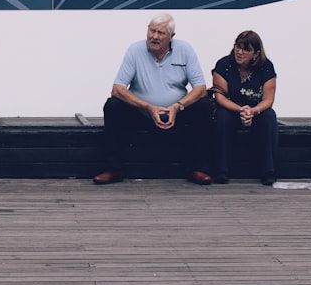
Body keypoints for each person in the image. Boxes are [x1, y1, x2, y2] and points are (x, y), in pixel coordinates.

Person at [93, 13, 213, 185]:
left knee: (204, 105)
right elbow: (117, 89)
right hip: (142, 113)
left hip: (176, 113)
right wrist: (148, 107)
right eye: (152, 31)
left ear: (171, 37)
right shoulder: (135, 50)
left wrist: (177, 106)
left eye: (161, 33)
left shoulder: (185, 49)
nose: (154, 37)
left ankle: (198, 169)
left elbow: (201, 89)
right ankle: (113, 169)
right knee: (113, 105)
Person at [210, 30, 279, 185]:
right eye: (237, 47)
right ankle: (221, 170)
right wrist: (240, 110)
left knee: (269, 117)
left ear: (256, 53)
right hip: (231, 107)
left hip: (256, 109)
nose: (239, 52)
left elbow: (268, 99)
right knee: (222, 117)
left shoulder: (266, 67)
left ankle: (268, 170)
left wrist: (253, 111)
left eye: (245, 49)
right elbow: (220, 96)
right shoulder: (224, 64)